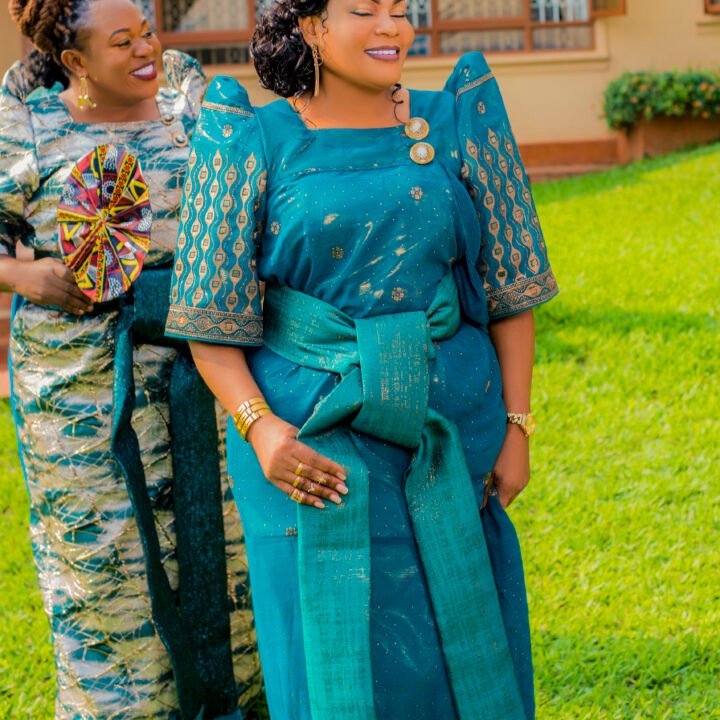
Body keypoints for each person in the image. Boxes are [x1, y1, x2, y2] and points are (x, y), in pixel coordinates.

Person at [166, 0, 558, 715]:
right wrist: (262, 430)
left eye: (401, 10)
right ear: (311, 24)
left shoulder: (458, 118)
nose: (392, 27)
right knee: (322, 660)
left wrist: (518, 425)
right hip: (306, 454)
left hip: (449, 438)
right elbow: (208, 317)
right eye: (365, 10)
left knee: (458, 651)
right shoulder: (248, 138)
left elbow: (511, 290)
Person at [0, 0, 263, 717]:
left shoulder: (188, 106)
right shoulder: (28, 124)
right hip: (83, 387)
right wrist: (23, 275)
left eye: (148, 31)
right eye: (123, 42)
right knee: (110, 559)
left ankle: (233, 700)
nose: (147, 48)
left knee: (225, 545)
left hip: (203, 368)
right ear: (75, 60)